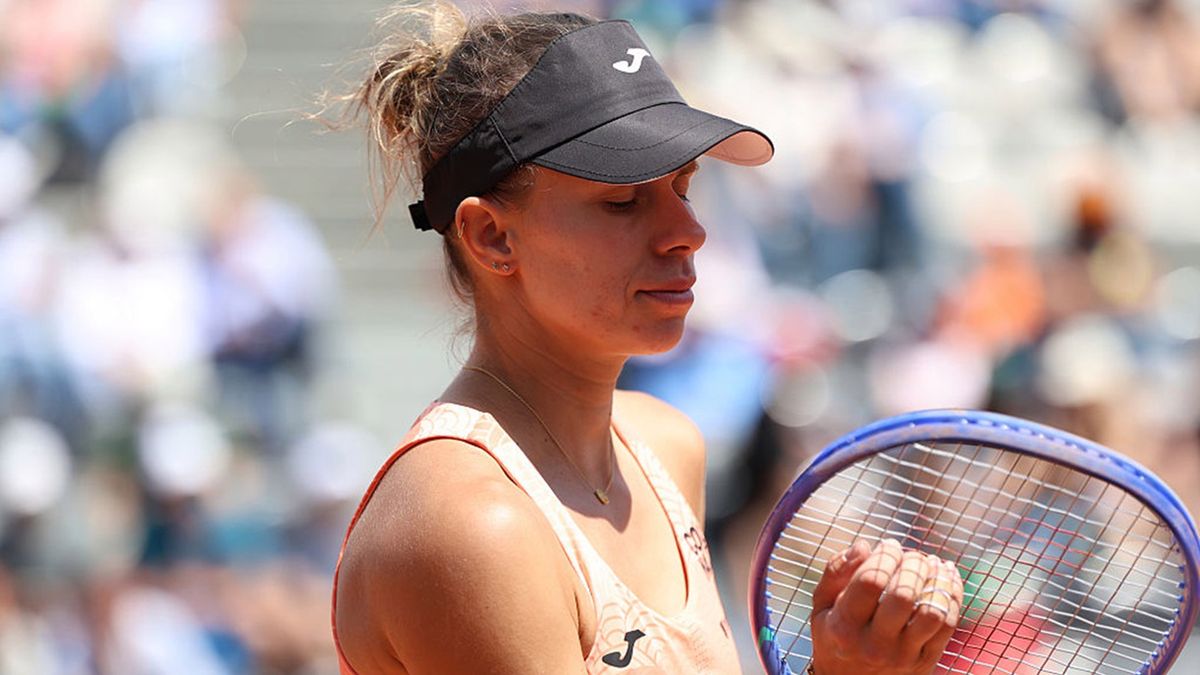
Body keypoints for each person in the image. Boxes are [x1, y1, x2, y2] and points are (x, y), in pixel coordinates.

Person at [329, 3, 963, 674]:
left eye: (683, 187)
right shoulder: (473, 525)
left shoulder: (665, 444)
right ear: (492, 236)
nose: (689, 232)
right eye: (623, 201)